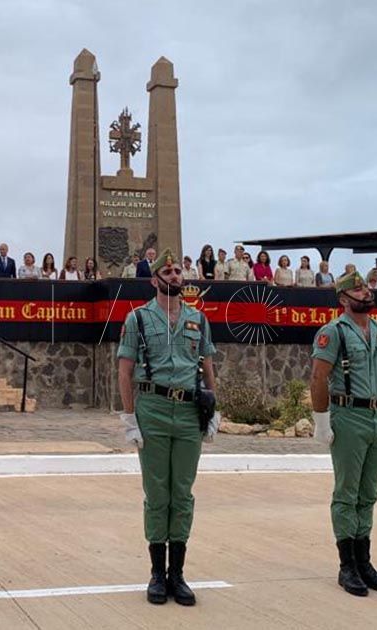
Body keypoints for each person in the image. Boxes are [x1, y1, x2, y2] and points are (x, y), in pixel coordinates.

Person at [116, 249, 217, 606]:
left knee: (183, 493)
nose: (176, 276)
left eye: (178, 271)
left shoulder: (198, 320)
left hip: (189, 410)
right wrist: (130, 418)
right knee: (158, 493)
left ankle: (179, 574)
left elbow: (206, 366)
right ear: (154, 279)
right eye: (169, 272)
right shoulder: (138, 319)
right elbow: (125, 371)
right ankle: (157, 574)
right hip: (153, 408)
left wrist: (213, 405)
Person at [310, 271, 377, 597]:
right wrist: (321, 421)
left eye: (366, 287)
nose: (366, 292)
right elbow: (319, 378)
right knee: (347, 493)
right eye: (358, 289)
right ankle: (347, 565)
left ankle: (365, 562)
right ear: (344, 299)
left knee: (369, 494)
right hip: (348, 415)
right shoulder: (333, 332)